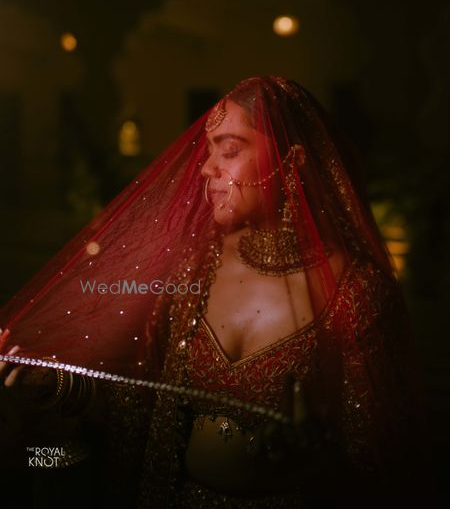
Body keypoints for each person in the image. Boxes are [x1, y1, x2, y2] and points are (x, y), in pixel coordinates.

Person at [0, 77, 433, 508]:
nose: (207, 168)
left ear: (293, 161)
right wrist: (53, 384)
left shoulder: (354, 292)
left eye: (228, 150)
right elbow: (139, 401)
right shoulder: (197, 267)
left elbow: (381, 459)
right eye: (209, 151)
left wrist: (313, 457)